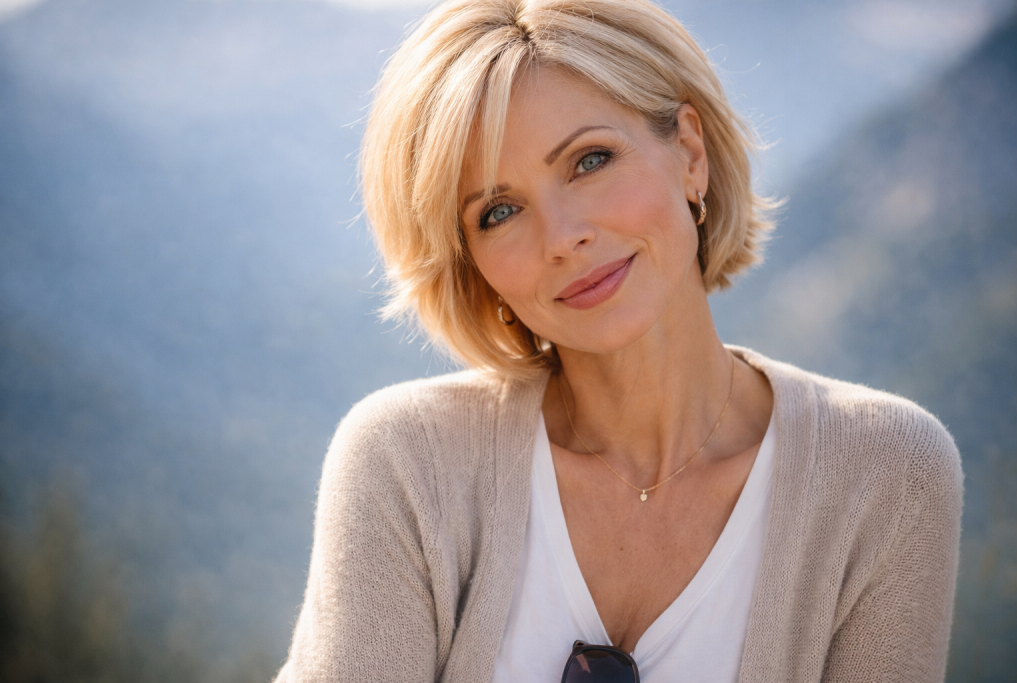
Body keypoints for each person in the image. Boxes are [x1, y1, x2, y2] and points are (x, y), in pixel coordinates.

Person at [274, 1, 963, 681]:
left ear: (690, 155)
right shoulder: (406, 464)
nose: (562, 236)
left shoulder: (886, 472)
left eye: (590, 160)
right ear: (475, 267)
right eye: (500, 211)